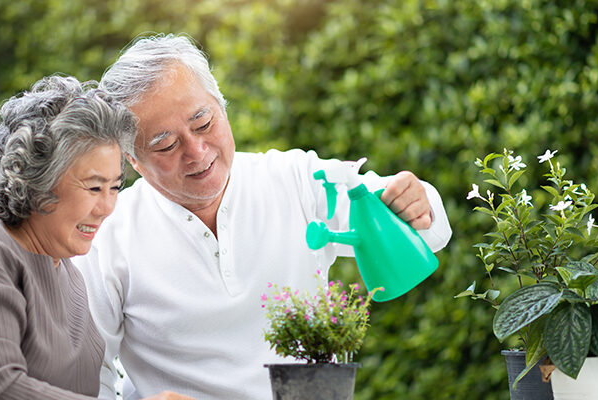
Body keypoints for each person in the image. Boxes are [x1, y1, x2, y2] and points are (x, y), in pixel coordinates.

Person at [75, 34, 453, 400]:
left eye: (204, 123)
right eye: (166, 144)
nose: (197, 150)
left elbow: (420, 227)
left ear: (221, 106)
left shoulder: (294, 179)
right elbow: (88, 376)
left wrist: (418, 202)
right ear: (132, 160)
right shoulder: (108, 236)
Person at [0, 75, 191, 400]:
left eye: (115, 187)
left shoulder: (66, 271)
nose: (107, 207)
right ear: (36, 180)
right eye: (93, 187)